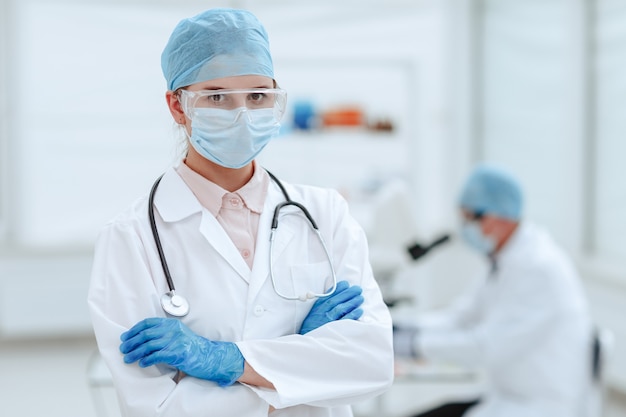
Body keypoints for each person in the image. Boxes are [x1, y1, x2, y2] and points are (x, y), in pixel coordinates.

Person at [87, 8, 394, 417]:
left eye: (257, 95)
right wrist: (299, 360)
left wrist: (227, 361)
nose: (242, 114)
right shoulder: (131, 236)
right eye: (216, 97)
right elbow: (154, 407)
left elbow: (370, 364)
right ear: (177, 107)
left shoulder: (325, 214)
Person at [393, 163, 592, 417]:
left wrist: (410, 345)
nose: (465, 227)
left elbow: (484, 347)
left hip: (538, 406)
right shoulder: (505, 259)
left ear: (502, 217)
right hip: (506, 396)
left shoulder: (539, 268)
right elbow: (462, 316)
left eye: (470, 218)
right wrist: (405, 328)